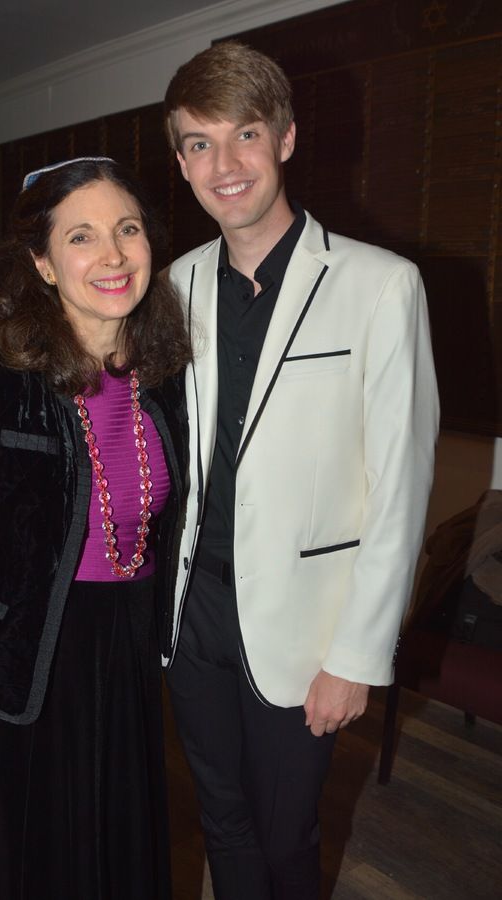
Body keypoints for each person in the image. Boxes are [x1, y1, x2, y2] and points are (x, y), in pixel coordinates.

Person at [162, 41, 440, 899]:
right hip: (193, 616)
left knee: (287, 838)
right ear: (181, 161)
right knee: (223, 822)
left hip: (307, 630)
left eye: (244, 135)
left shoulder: (381, 284)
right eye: (199, 143)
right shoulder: (170, 286)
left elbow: (403, 484)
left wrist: (356, 654)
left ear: (284, 139)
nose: (225, 163)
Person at [0, 156, 191, 900]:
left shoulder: (165, 376)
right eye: (83, 237)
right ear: (43, 263)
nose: (113, 255)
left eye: (127, 230)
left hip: (122, 666)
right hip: (14, 680)